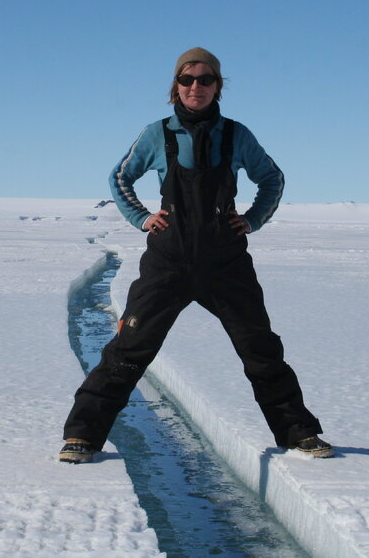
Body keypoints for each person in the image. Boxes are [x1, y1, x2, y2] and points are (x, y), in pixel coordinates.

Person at [59, 48, 331, 463]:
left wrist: (252, 220)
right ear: (176, 86)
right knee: (129, 348)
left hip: (226, 262)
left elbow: (272, 178)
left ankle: (299, 434)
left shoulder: (236, 134)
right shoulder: (158, 134)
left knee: (260, 347)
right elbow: (121, 177)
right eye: (187, 80)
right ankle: (82, 436)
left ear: (218, 86)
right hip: (168, 260)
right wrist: (142, 218)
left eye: (206, 79)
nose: (195, 87)